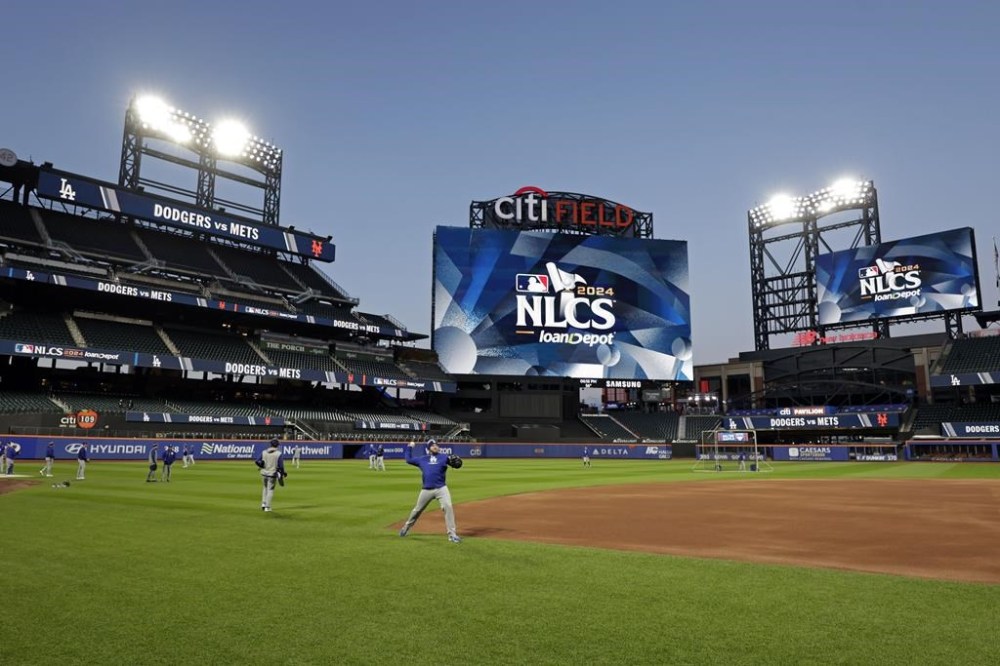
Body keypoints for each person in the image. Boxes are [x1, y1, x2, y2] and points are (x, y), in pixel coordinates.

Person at [398, 439, 462, 543]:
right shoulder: (422, 459)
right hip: (426, 490)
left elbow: (456, 463)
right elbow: (408, 459)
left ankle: (452, 535)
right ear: (428, 449)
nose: (435, 446)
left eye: (436, 445)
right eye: (433, 445)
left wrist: (456, 463)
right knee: (417, 511)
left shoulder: (444, 457)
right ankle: (406, 528)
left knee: (448, 507)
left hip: (441, 488)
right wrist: (409, 447)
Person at [255, 438, 287, 512]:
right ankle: (267, 507)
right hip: (272, 474)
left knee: (265, 488)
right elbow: (281, 466)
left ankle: (263, 504)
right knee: (270, 490)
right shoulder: (278, 454)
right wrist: (283, 473)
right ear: (277, 446)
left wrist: (261, 466)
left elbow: (257, 461)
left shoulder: (264, 452)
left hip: (263, 473)